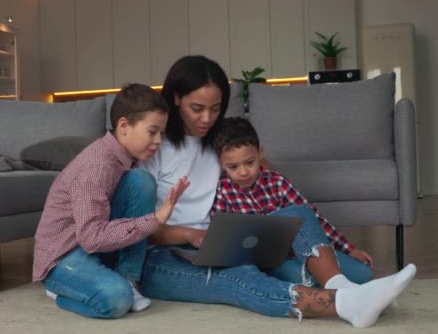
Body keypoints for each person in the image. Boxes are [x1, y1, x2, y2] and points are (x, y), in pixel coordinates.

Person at [140, 55, 416, 328]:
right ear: (176, 98)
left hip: (227, 245)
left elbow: (266, 175)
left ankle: (343, 287)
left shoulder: (220, 141)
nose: (207, 118)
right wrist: (192, 234)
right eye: (197, 108)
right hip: (166, 255)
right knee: (241, 278)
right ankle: (347, 304)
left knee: (359, 272)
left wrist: (271, 226)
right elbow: (137, 227)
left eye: (215, 108)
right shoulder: (154, 147)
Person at [32, 83, 190, 319]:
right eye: (152, 131)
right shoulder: (97, 167)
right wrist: (155, 219)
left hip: (91, 245)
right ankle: (63, 291)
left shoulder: (126, 159)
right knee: (116, 300)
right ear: (124, 126)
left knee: (141, 181)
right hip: (63, 255)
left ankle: (128, 278)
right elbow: (92, 238)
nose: (158, 140)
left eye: (162, 133)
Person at [212, 116, 372, 288]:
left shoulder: (278, 182)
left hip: (300, 250)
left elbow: (315, 220)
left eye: (250, 162)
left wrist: (349, 249)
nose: (243, 172)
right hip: (270, 264)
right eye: (233, 167)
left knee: (363, 273)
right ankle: (333, 283)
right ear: (221, 163)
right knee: (301, 278)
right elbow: (222, 239)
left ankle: (331, 281)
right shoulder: (223, 191)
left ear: (260, 152)